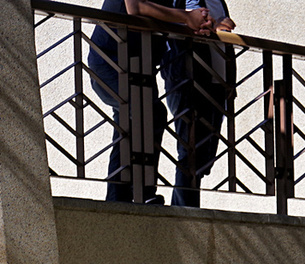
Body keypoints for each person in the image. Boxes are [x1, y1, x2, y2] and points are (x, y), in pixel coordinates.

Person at [87, 0, 213, 203]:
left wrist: (200, 23)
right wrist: (187, 17)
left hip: (140, 63)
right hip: (111, 60)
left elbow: (165, 14)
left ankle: (118, 198)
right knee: (149, 114)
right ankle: (142, 193)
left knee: (131, 124)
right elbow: (135, 8)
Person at [163, 0, 236, 207]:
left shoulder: (217, 1)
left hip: (217, 82)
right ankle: (185, 211)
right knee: (190, 149)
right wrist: (209, 26)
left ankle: (185, 206)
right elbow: (177, 22)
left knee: (205, 154)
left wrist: (230, 82)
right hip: (187, 78)